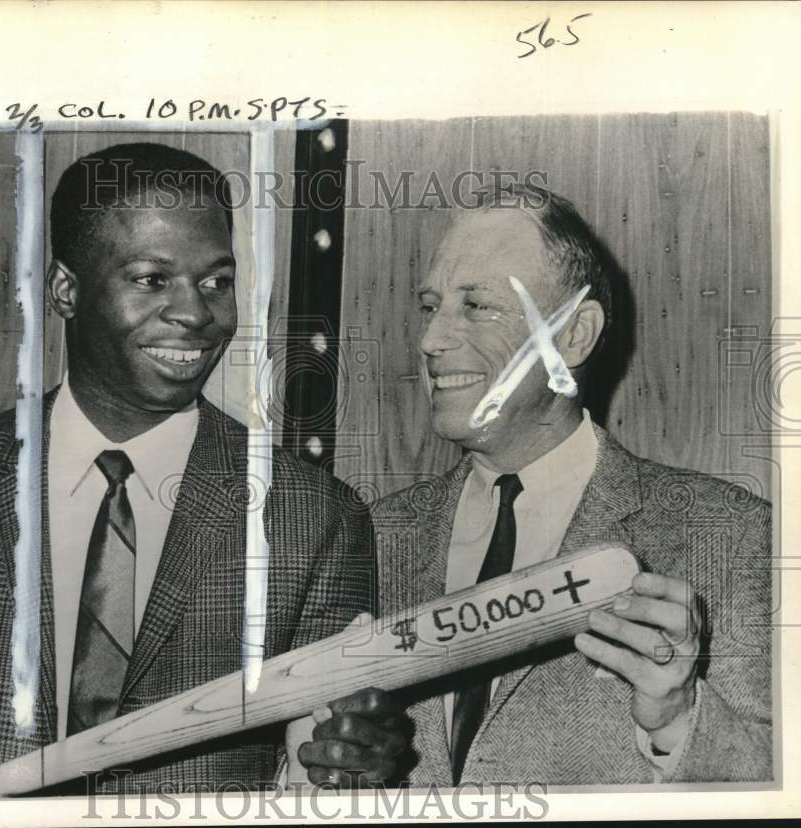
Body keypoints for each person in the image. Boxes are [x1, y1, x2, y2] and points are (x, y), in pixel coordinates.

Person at [0, 142, 398, 792]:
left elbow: (325, 772)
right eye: (152, 279)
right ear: (65, 289)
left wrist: (350, 771)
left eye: (216, 282)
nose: (196, 313)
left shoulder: (315, 520)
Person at [299, 185, 772, 785]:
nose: (430, 340)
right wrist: (332, 777)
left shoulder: (730, 535)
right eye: (430, 306)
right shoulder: (371, 537)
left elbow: (779, 783)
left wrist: (678, 720)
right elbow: (298, 769)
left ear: (573, 336)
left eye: (477, 305)